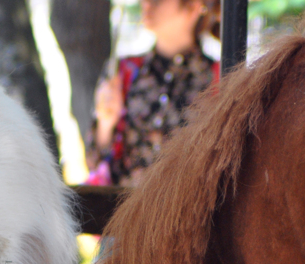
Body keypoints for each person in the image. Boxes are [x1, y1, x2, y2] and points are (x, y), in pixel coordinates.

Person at [86, 0, 220, 187]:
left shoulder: (220, 79)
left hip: (191, 211)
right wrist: (105, 124)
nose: (146, 3)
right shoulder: (125, 71)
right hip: (125, 210)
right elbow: (94, 162)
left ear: (193, 6)